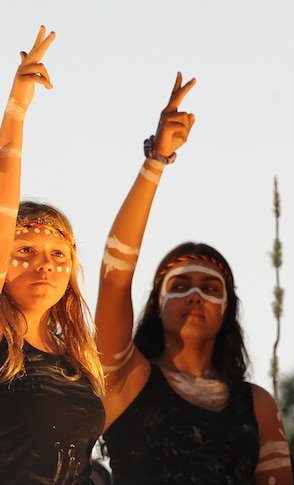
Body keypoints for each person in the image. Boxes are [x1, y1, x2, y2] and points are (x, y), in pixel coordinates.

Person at [94, 73, 292, 484]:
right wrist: (155, 163)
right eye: (180, 286)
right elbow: (114, 280)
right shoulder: (126, 377)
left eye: (211, 288)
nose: (196, 295)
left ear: (227, 310)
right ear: (156, 304)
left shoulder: (257, 405)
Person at [0, 26, 107, 484]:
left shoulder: (80, 362)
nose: (45, 263)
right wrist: (17, 108)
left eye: (58, 253)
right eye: (25, 250)